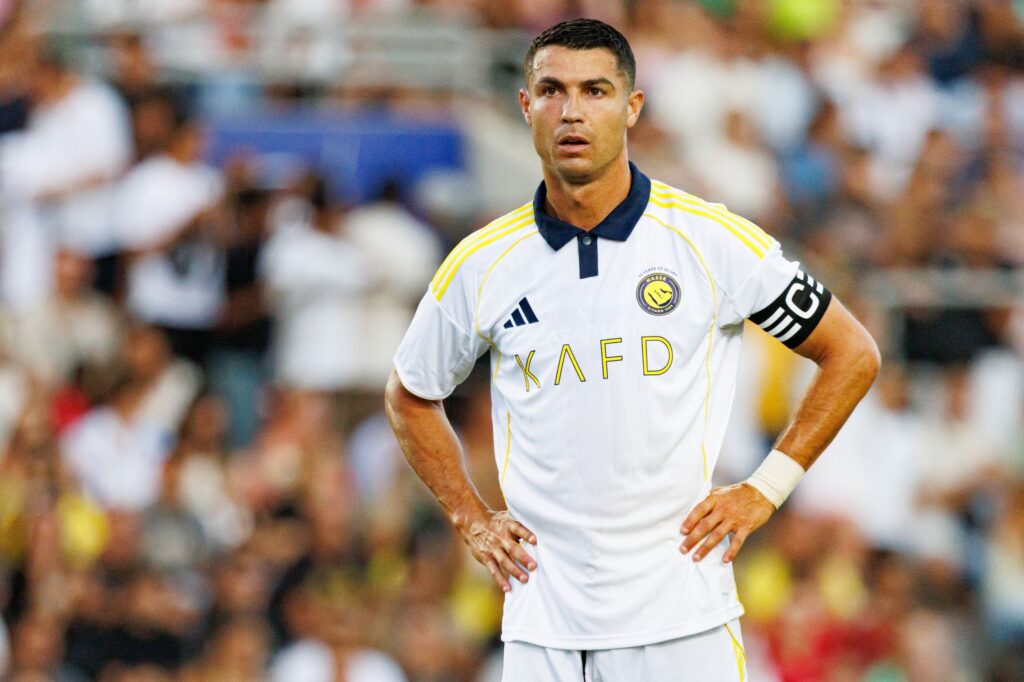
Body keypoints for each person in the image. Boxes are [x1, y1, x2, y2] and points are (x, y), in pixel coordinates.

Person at [385, 18, 879, 681]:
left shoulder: (709, 241)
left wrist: (766, 488)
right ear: (525, 106)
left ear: (632, 107)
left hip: (682, 625)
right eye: (552, 91)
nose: (572, 112)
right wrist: (470, 519)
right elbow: (411, 394)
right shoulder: (482, 264)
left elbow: (851, 352)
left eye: (596, 91)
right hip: (543, 630)